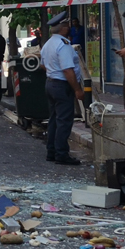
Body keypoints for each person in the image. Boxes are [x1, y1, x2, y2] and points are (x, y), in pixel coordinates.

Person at [42, 12, 85, 165]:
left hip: (50, 83)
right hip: (62, 85)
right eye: (67, 25)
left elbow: (42, 65)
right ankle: (61, 154)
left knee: (54, 119)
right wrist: (78, 90)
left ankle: (51, 151)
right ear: (64, 28)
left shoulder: (48, 44)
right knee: (64, 121)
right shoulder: (64, 45)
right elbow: (68, 70)